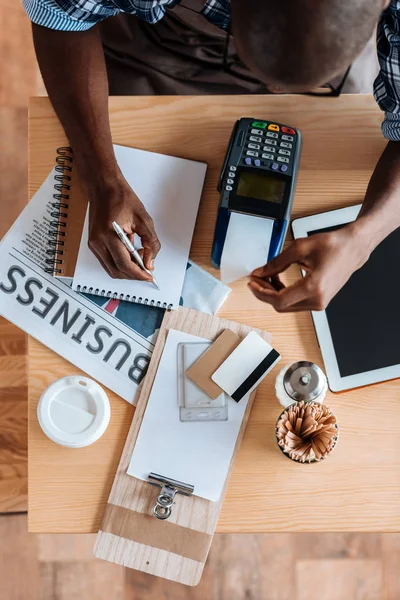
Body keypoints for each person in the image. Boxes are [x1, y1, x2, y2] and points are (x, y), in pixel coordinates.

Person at [24, 0, 399, 312]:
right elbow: (58, 16)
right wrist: (102, 179)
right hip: (166, 43)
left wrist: (360, 241)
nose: (274, 92)